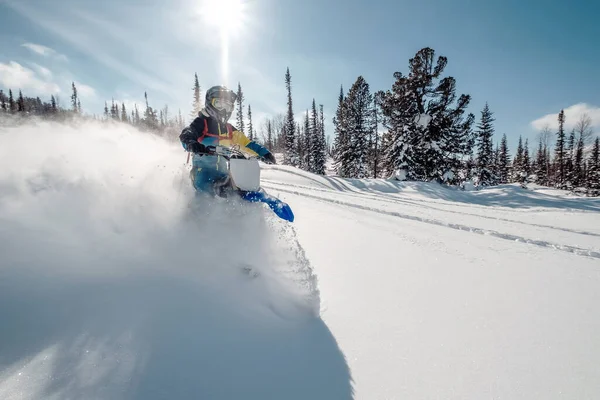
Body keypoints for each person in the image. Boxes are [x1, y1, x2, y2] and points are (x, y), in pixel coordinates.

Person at [179, 85, 276, 194]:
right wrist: (191, 143)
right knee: (207, 194)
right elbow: (187, 133)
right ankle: (196, 210)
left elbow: (246, 143)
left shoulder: (229, 128)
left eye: (228, 107)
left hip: (223, 173)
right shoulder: (202, 122)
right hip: (203, 172)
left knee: (240, 190)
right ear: (209, 103)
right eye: (219, 104)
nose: (224, 110)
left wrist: (264, 153)